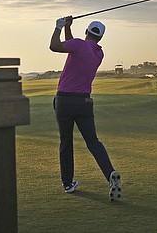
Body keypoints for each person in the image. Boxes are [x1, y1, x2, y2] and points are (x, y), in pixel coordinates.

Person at [49, 16, 122, 202]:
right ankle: (110, 173)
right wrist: (67, 28)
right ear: (100, 38)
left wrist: (58, 27)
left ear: (87, 31)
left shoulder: (78, 45)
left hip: (65, 101)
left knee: (66, 141)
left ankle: (68, 183)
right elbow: (72, 47)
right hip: (84, 103)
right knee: (93, 142)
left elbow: (55, 46)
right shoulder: (98, 53)